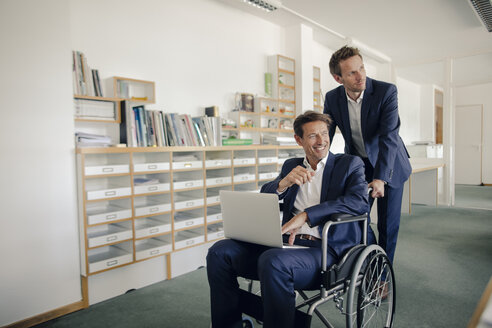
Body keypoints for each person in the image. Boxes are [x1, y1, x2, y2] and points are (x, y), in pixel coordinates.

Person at [206, 111, 368, 328]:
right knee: (219, 252)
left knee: (272, 261)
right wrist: (283, 183)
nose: (321, 141)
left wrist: (307, 215)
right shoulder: (291, 164)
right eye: (312, 136)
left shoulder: (349, 164)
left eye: (324, 133)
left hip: (324, 250)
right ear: (298, 140)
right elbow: (267, 193)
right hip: (283, 245)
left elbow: (359, 202)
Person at [324, 45, 411, 264]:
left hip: (389, 164)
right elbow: (326, 135)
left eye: (361, 68)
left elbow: (389, 137)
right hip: (360, 165)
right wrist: (313, 164)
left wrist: (381, 178)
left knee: (387, 224)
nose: (360, 75)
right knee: (355, 218)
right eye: (352, 72)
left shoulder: (385, 91)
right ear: (338, 78)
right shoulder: (332, 98)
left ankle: (381, 276)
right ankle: (363, 263)